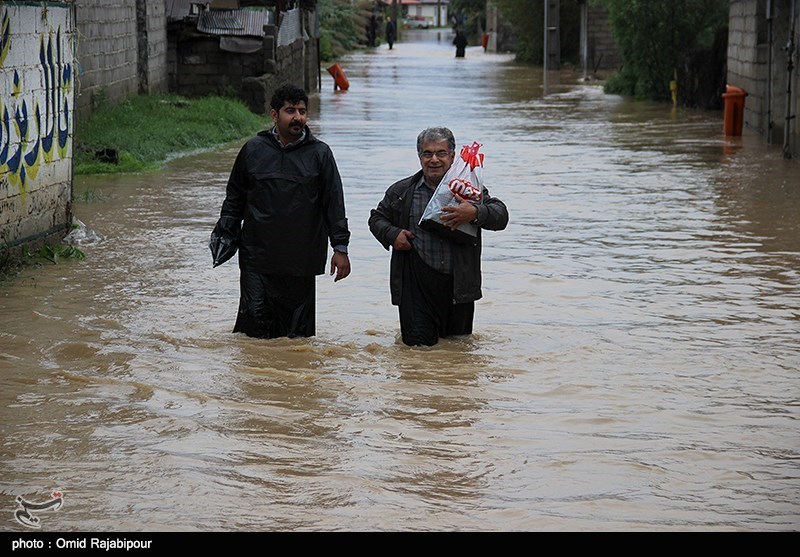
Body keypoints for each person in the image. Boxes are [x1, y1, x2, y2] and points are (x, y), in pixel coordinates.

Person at [211, 83, 351, 339]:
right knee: (253, 331)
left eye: (302, 111)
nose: (298, 117)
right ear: (274, 115)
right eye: (290, 111)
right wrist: (226, 234)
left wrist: (340, 248)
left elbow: (334, 204)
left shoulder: (320, 154)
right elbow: (234, 199)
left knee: (295, 338)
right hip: (257, 257)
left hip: (301, 260)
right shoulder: (253, 150)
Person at [368, 127, 509, 346]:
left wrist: (475, 212)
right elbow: (376, 218)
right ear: (419, 156)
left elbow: (501, 216)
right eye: (427, 153)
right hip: (415, 287)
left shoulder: (470, 190)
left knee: (458, 353)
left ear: (453, 157)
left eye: (441, 153)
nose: (434, 159)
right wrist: (392, 234)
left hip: (459, 288)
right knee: (417, 356)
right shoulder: (402, 192)